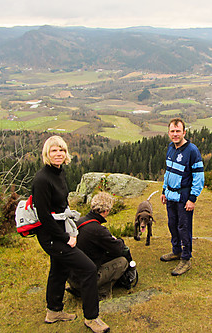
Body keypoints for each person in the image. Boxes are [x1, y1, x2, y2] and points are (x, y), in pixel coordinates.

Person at [32, 135, 110, 333]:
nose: (58, 154)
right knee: (88, 269)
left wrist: (70, 228)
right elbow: (43, 216)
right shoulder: (42, 179)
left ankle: (53, 311)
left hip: (60, 230)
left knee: (59, 270)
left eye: (62, 150)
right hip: (50, 236)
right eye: (54, 151)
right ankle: (92, 318)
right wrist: (67, 237)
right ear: (46, 154)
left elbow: (61, 205)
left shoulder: (59, 173)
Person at [160, 118, 204, 276]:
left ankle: (186, 259)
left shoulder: (192, 150)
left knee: (184, 228)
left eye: (178, 131)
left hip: (184, 196)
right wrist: (164, 190)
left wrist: (192, 198)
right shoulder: (170, 148)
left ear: (184, 132)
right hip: (171, 195)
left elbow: (199, 177)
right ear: (169, 133)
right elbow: (168, 172)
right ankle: (176, 251)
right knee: (172, 224)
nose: (175, 134)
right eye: (172, 131)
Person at [67, 192, 132, 300]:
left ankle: (78, 288)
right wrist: (118, 240)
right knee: (122, 262)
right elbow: (118, 250)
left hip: (72, 277)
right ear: (106, 211)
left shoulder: (80, 221)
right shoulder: (98, 230)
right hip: (85, 280)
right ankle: (100, 291)